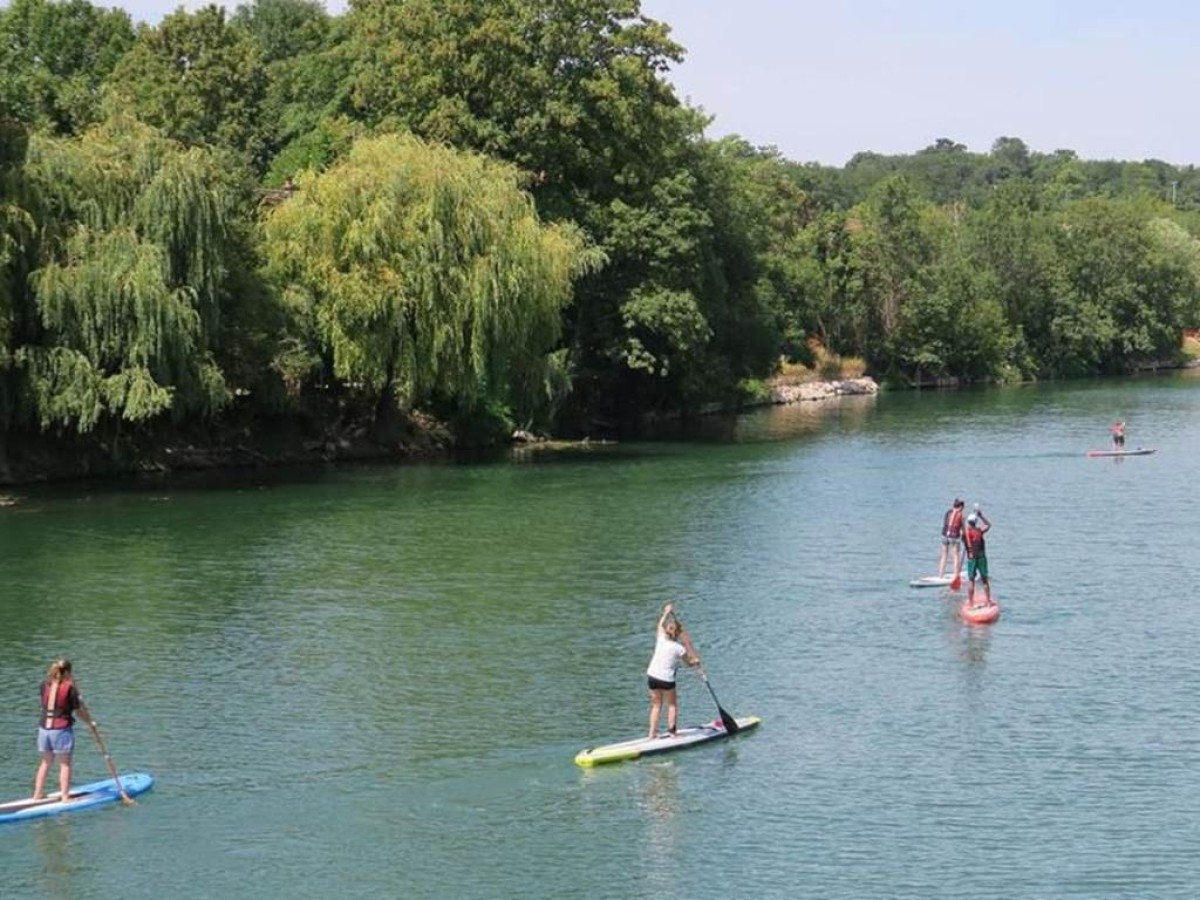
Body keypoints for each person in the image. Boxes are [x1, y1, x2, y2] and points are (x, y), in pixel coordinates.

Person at [33, 659, 95, 802]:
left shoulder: (44, 685)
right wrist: (90, 722)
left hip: (44, 729)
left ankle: (37, 794)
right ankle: (65, 797)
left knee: (46, 762)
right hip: (60, 729)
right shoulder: (70, 688)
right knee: (65, 764)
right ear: (67, 672)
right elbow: (78, 711)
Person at [646, 602, 699, 739]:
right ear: (677, 635)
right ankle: (672, 733)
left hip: (652, 676)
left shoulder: (661, 639)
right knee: (672, 704)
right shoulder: (679, 648)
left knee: (656, 705)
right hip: (666, 679)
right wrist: (696, 662)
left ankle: (652, 733)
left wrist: (666, 612)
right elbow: (688, 664)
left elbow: (660, 625)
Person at [962, 509, 994, 608]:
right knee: (984, 580)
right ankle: (988, 601)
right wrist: (981, 516)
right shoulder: (979, 531)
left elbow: (964, 541)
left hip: (971, 559)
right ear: (975, 522)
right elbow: (989, 525)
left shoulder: (965, 534)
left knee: (971, 581)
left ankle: (971, 604)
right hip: (981, 557)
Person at [938, 498, 965, 578]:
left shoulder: (948, 512)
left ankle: (940, 575)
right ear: (960, 507)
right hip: (954, 537)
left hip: (944, 535)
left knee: (944, 555)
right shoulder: (961, 515)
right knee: (956, 556)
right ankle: (956, 576)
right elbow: (963, 528)